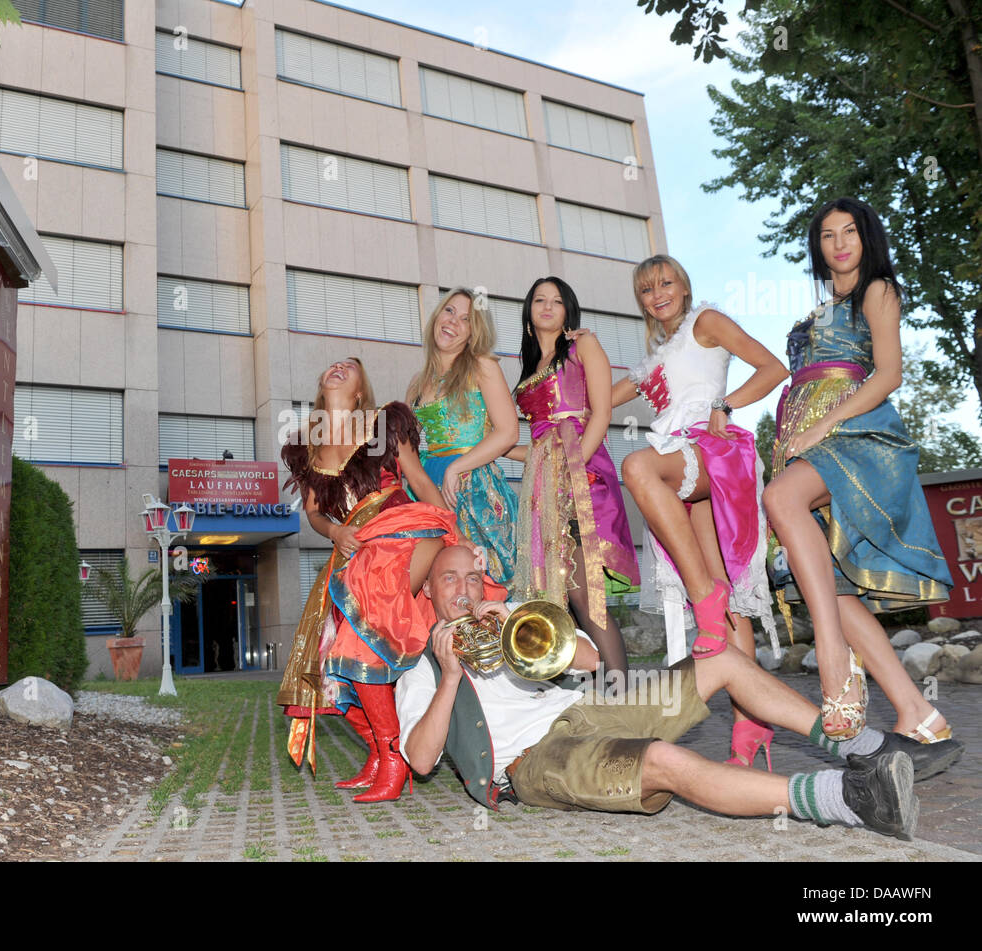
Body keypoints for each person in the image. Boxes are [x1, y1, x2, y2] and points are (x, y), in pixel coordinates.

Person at [397, 545, 960, 836]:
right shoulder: (418, 671)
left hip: (588, 710)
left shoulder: (509, 624)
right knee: (665, 759)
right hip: (533, 760)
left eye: (472, 577)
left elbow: (592, 661)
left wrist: (516, 616)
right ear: (429, 591)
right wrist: (450, 676)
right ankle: (854, 801)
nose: (466, 590)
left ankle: (865, 750)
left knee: (721, 658)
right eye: (451, 578)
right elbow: (421, 761)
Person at [764, 198, 961, 758]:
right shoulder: (821, 308)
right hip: (807, 439)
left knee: (780, 498)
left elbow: (890, 373)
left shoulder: (879, 290)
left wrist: (822, 424)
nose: (840, 242)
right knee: (835, 590)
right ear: (817, 247)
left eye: (850, 231)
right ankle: (919, 713)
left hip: (857, 436)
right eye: (828, 235)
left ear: (866, 237)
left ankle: (831, 655)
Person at [612, 255, 789, 770]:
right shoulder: (654, 361)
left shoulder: (705, 323)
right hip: (682, 461)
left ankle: (702, 598)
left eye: (666, 283)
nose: (657, 293)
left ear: (684, 288)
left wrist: (726, 405)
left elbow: (774, 367)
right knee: (729, 596)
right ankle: (750, 726)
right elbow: (597, 403)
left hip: (714, 449)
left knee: (639, 468)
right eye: (646, 288)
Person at [277, 357, 463, 802]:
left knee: (357, 640)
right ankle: (380, 754)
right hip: (355, 552)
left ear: (361, 389)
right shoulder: (306, 446)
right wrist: (335, 532)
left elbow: (418, 480)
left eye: (350, 365)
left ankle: (396, 757)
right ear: (322, 386)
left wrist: (459, 539)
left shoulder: (383, 423)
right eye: (332, 365)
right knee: (328, 663)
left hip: (406, 531)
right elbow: (315, 514)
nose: (338, 366)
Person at [506, 277, 638, 678]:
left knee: (586, 597)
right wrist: (490, 449)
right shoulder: (529, 367)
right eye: (539, 300)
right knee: (559, 596)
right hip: (543, 483)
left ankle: (623, 697)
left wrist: (574, 465)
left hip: (583, 473)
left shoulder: (584, 345)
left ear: (568, 311)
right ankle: (584, 694)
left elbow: (601, 412)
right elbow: (536, 446)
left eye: (557, 301)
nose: (547, 306)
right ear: (529, 313)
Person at [407, 288, 519, 584]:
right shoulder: (416, 384)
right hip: (426, 490)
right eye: (449, 311)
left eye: (466, 319)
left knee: (484, 580)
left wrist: (457, 467)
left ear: (473, 333)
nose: (453, 321)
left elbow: (508, 432)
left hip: (472, 486)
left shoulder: (483, 366)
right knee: (436, 583)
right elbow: (407, 451)